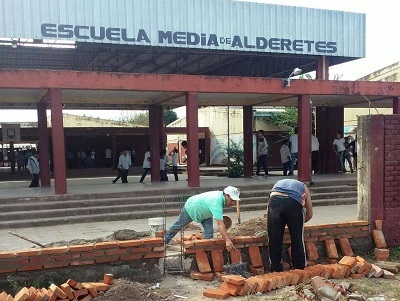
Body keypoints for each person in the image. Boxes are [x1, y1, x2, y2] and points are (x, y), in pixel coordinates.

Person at [164, 186, 241, 250]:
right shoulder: (216, 201)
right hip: (192, 207)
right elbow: (220, 225)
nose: (233, 203)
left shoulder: (220, 198)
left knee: (209, 233)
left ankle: (206, 251)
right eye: (232, 200)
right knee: (178, 225)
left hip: (205, 213)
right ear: (226, 195)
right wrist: (227, 240)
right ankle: (164, 242)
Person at [267, 179, 313, 272]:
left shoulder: (277, 183)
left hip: (274, 201)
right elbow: (309, 214)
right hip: (293, 202)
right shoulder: (304, 189)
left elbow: (268, 209)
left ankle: (275, 267)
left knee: (274, 237)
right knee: (297, 237)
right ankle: (299, 266)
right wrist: (296, 223)